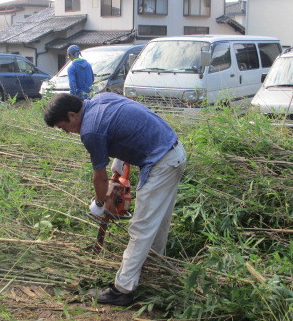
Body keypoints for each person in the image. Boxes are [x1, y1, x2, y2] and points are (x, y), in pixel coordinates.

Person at [44, 92, 186, 306]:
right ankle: (156, 268)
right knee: (158, 221)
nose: (67, 132)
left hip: (161, 161)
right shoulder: (101, 99)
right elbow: (127, 124)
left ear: (72, 115)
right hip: (173, 151)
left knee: (140, 227)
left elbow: (99, 177)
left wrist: (100, 204)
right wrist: (119, 164)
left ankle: (122, 289)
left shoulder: (90, 130)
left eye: (64, 127)